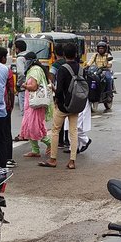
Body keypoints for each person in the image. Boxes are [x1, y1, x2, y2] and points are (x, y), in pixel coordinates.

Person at [39, 42, 83, 170]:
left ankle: (53, 159)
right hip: (75, 104)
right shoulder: (81, 68)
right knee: (73, 132)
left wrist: (57, 99)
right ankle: (72, 161)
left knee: (55, 130)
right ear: (75, 54)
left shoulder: (63, 69)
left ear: (64, 55)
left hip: (63, 105)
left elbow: (59, 90)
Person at [20, 51, 52, 161]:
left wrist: (24, 85)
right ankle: (35, 150)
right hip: (32, 103)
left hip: (35, 104)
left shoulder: (35, 70)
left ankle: (50, 143)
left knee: (34, 127)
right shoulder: (37, 69)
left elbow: (33, 87)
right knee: (30, 125)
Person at [88, 41, 115, 109]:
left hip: (105, 70)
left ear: (105, 49)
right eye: (99, 48)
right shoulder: (95, 55)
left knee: (108, 78)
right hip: (97, 71)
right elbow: (90, 62)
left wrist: (107, 65)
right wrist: (86, 67)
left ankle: (109, 94)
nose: (100, 49)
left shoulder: (108, 55)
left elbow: (110, 64)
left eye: (102, 48)